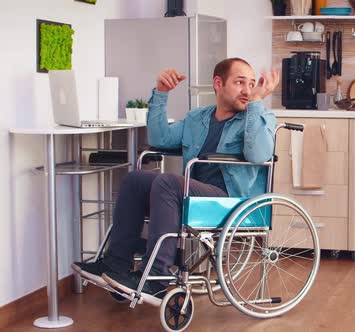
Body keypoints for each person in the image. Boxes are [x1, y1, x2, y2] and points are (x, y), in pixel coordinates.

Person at [72, 58, 279, 305]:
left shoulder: (260, 117)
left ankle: (157, 278)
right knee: (135, 179)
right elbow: (159, 138)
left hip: (231, 200)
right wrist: (161, 93)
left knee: (168, 182)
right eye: (240, 82)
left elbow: (258, 155)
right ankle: (116, 265)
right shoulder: (198, 118)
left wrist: (256, 102)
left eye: (252, 84)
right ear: (218, 83)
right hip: (194, 194)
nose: (247, 90)